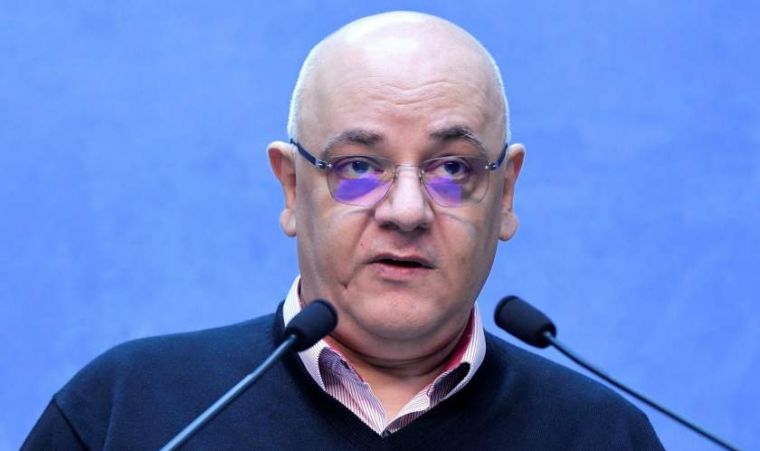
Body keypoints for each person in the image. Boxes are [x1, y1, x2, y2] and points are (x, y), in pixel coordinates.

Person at [23, 11, 664, 450]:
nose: (407, 211)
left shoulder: (604, 436)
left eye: (452, 168)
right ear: (291, 188)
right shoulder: (128, 411)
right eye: (358, 167)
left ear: (505, 197)